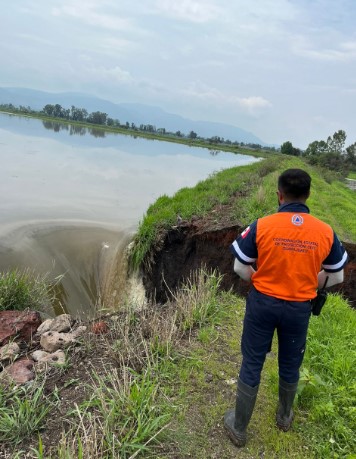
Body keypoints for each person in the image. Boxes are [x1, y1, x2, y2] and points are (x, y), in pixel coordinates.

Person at [224, 168, 348, 447]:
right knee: (291, 362)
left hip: (262, 305)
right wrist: (307, 285)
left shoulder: (263, 225)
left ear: (279, 195)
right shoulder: (325, 231)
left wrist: (261, 281)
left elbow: (240, 266)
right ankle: (283, 416)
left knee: (253, 360)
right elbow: (336, 275)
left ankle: (240, 427)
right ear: (308, 196)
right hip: (298, 308)